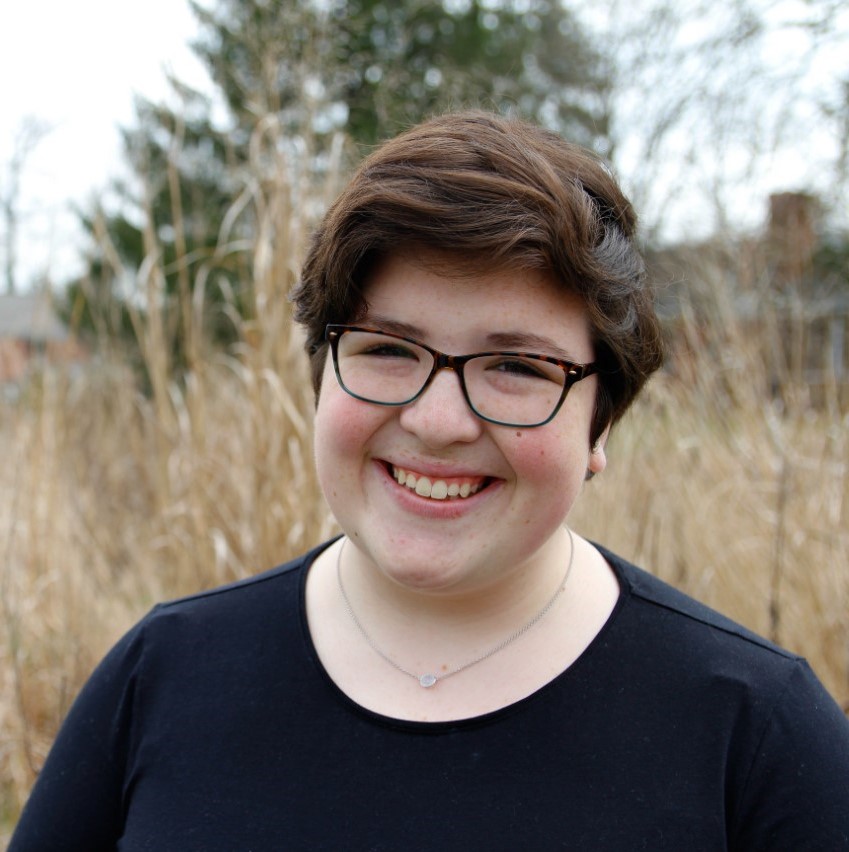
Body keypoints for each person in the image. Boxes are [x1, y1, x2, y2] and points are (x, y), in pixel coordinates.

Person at [10, 111, 849, 851]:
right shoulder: (163, 674)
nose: (438, 420)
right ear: (320, 379)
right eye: (386, 349)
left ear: (600, 422)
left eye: (516, 366)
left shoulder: (758, 734)